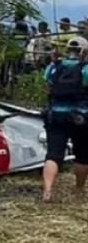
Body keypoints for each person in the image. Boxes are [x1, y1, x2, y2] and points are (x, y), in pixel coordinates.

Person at [41, 36, 88, 202]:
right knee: (82, 156)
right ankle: (79, 190)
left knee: (53, 155)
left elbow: (47, 86)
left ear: (68, 49)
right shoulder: (86, 69)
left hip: (55, 116)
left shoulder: (54, 67)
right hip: (81, 118)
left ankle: (47, 191)